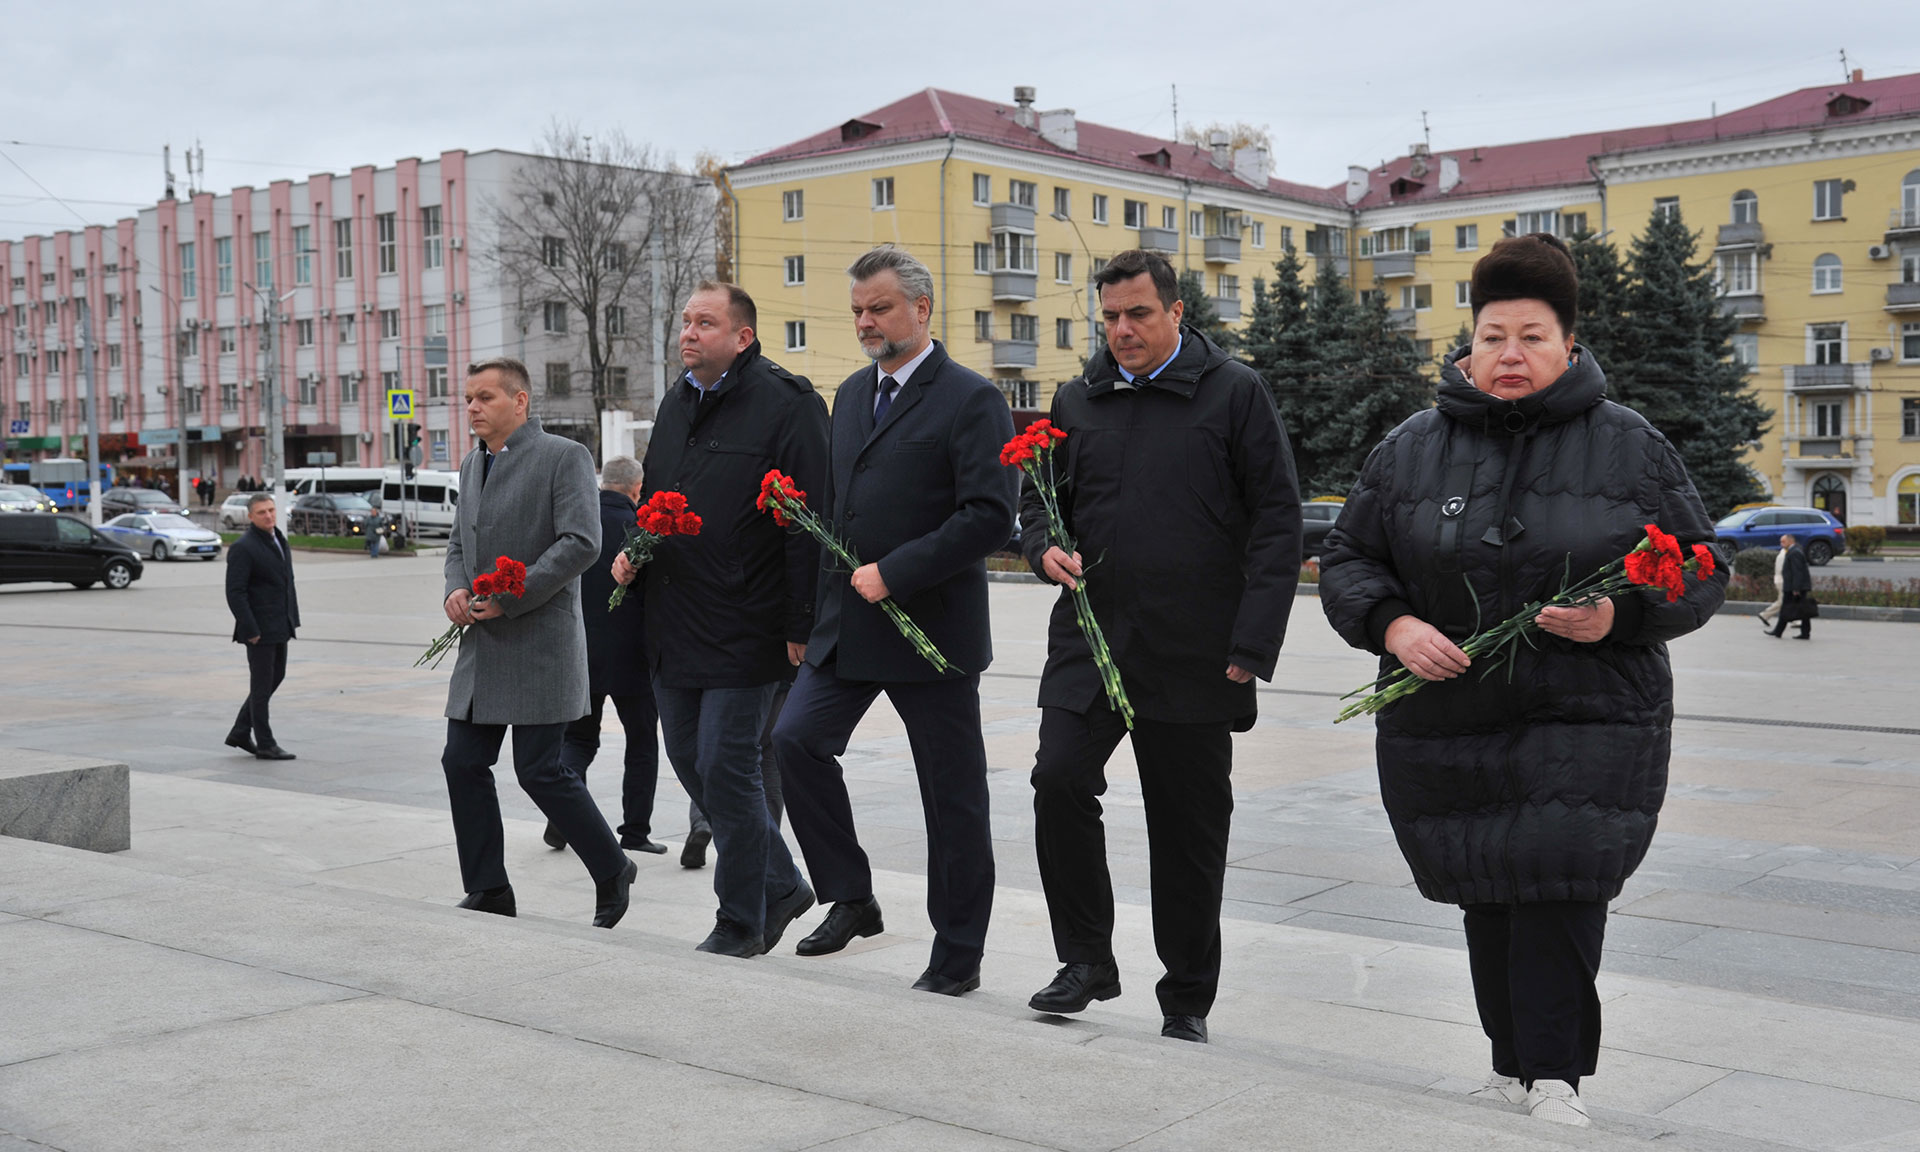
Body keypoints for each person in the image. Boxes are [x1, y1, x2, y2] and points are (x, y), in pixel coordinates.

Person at [1319, 234, 1727, 1129]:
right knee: (1487, 888)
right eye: (1493, 336)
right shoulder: (1411, 449)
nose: (1510, 354)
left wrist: (1617, 615)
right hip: (1451, 715)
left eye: (1532, 337)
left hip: (1590, 716)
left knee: (1560, 883)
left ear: (1568, 346)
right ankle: (1510, 1066)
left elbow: (1702, 567)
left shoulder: (1629, 445)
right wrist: (1395, 626)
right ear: (1468, 345)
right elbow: (1349, 558)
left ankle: (1556, 1077)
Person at [1019, 249, 1302, 1046]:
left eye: (1138, 314)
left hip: (1196, 648)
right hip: (1092, 637)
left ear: (1177, 312)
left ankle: (1186, 997)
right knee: (1057, 781)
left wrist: (1254, 640)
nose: (1122, 330)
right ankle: (1086, 960)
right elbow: (1038, 501)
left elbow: (1278, 520)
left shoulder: (1234, 393)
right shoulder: (1077, 399)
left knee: (1187, 828)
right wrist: (1042, 548)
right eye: (1110, 316)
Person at [772, 245, 1017, 996]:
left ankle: (957, 954)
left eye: (878, 308)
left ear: (921, 308)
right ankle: (851, 895)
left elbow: (989, 515)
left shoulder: (971, 398)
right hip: (847, 627)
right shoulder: (850, 395)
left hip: (933, 633)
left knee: (952, 799)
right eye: (857, 311)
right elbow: (833, 512)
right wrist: (808, 617)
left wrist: (898, 571)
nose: (865, 322)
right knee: (794, 740)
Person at [613, 282, 827, 957]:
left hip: (749, 621)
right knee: (690, 760)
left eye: (705, 322)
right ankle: (783, 884)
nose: (688, 332)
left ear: (742, 336)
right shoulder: (676, 402)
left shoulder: (788, 403)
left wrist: (801, 622)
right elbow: (657, 500)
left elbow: (808, 522)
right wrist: (634, 551)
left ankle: (739, 919)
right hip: (673, 619)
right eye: (685, 321)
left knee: (726, 766)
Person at [439, 357, 636, 929]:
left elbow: (581, 542)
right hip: (482, 647)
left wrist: (511, 595)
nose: (472, 408)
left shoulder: (563, 456)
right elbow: (458, 544)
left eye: (485, 397)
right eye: (468, 398)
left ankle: (612, 868)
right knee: (462, 761)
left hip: (540, 644)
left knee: (540, 771)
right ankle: (489, 887)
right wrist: (456, 589)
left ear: (520, 401)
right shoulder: (471, 463)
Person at [546, 454, 666, 856]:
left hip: (581, 651)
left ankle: (564, 816)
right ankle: (635, 832)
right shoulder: (641, 530)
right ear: (637, 489)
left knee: (578, 739)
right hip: (634, 656)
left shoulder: (577, 525)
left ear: (602, 483)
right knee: (642, 744)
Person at [224, 492, 300, 761]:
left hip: (280, 623)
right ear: (250, 517)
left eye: (271, 510)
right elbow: (235, 592)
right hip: (259, 629)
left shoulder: (278, 538)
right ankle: (265, 743)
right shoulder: (243, 547)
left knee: (275, 677)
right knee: (261, 686)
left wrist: (291, 618)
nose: (268, 516)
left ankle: (240, 731)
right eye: (261, 512)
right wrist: (250, 629)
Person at [1768, 533, 1813, 640]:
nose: (1781, 544)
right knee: (1801, 610)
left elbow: (1797, 572)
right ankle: (1803, 633)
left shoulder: (1794, 552)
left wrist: (1796, 588)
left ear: (1790, 541)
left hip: (1794, 588)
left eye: (1783, 541)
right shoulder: (1793, 551)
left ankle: (1779, 631)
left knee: (1788, 609)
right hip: (1795, 587)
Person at [1757, 540, 1788, 629]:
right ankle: (1765, 615)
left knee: (1788, 601)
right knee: (1782, 601)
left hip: (1781, 580)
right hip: (1782, 581)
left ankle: (1796, 620)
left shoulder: (1784, 554)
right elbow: (1783, 570)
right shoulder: (1783, 555)